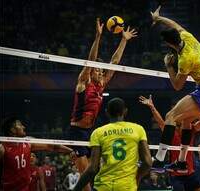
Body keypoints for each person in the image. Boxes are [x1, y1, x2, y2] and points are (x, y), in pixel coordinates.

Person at [68, 18, 137, 191]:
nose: (99, 71)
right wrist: (98, 37)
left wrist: (123, 40)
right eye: (96, 69)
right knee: (86, 181)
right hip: (77, 132)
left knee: (95, 173)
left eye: (100, 69)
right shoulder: (83, 82)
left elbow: (114, 63)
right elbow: (90, 60)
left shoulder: (102, 84)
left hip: (90, 132)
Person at [150, 6, 200, 173]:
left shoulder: (185, 59)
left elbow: (177, 86)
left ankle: (159, 160)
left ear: (168, 44)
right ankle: (181, 163)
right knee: (187, 121)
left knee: (170, 116)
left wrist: (168, 66)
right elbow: (174, 24)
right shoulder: (188, 37)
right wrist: (158, 18)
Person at [73, 97, 152, 191]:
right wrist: (136, 178)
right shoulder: (138, 129)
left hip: (103, 186)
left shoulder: (98, 133)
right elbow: (147, 162)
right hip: (127, 186)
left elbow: (93, 168)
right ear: (125, 111)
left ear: (107, 112)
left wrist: (76, 189)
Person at [139, 95, 200, 191]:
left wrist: (190, 111)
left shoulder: (190, 128)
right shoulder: (170, 131)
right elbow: (160, 122)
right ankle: (160, 159)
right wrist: (152, 107)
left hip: (190, 173)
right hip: (176, 175)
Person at [0, 116, 75, 191]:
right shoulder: (2, 148)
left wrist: (70, 151)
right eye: (20, 125)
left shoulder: (28, 142)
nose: (23, 127)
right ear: (12, 130)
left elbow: (50, 146)